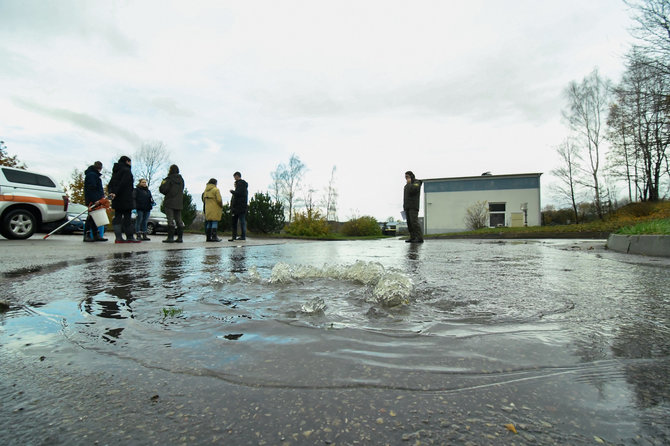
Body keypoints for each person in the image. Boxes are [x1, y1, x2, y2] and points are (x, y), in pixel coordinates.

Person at [108, 156, 140, 243]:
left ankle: (118, 238)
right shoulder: (127, 171)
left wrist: (112, 192)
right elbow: (124, 183)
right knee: (127, 218)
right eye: (130, 162)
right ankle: (130, 237)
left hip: (116, 198)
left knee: (117, 217)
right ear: (127, 161)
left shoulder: (116, 171)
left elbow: (110, 183)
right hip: (125, 198)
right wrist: (117, 192)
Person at [159, 164, 185, 243]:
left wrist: (162, 185)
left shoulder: (169, 179)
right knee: (179, 220)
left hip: (169, 201)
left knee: (170, 219)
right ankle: (180, 238)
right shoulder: (181, 180)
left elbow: (163, 189)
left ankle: (170, 238)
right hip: (179, 202)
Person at [83, 161, 107, 242]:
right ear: (100, 168)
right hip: (93, 199)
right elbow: (92, 188)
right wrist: (95, 200)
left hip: (96, 198)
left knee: (95, 217)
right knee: (90, 217)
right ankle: (87, 234)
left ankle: (96, 234)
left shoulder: (93, 175)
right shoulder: (92, 175)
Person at [403, 170, 424, 243]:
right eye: (405, 177)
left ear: (411, 176)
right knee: (409, 223)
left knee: (414, 222)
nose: (406, 178)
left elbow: (413, 190)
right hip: (407, 207)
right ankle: (413, 237)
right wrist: (404, 207)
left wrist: (409, 184)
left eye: (407, 176)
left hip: (413, 207)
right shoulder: (406, 185)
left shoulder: (416, 183)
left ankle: (419, 238)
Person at [229, 171, 248, 241]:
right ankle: (236, 236)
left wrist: (232, 192)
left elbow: (239, 194)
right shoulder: (242, 186)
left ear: (237, 176)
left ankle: (241, 236)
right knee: (237, 222)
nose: (234, 179)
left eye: (234, 177)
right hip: (237, 207)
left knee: (240, 222)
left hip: (239, 207)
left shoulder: (241, 184)